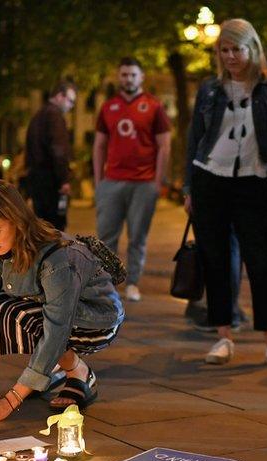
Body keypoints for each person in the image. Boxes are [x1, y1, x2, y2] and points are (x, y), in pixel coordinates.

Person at [0, 180, 124, 423]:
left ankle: (78, 372)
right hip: (56, 315)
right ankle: (52, 368)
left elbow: (57, 328)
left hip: (97, 321)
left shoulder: (56, 259)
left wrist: (9, 401)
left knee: (22, 314)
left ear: (16, 220)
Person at [184, 18, 267, 369]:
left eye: (237, 48)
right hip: (211, 178)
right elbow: (195, 139)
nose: (231, 56)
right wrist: (189, 186)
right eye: (224, 49)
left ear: (253, 48)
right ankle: (224, 337)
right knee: (216, 260)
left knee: (260, 260)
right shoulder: (209, 89)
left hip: (253, 181)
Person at [93, 57, 172, 303]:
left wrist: (157, 182)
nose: (128, 79)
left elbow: (165, 146)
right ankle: (107, 285)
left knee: (138, 236)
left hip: (143, 182)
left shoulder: (154, 106)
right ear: (119, 77)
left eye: (132, 75)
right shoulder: (108, 107)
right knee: (107, 237)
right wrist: (99, 182)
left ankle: (133, 283)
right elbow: (99, 146)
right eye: (124, 74)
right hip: (113, 181)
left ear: (141, 77)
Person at [25, 81, 77, 231]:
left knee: (43, 227)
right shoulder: (55, 116)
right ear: (60, 96)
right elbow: (58, 149)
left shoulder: (38, 115)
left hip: (37, 180)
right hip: (51, 182)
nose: (72, 106)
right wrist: (64, 179)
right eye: (71, 100)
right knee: (56, 228)